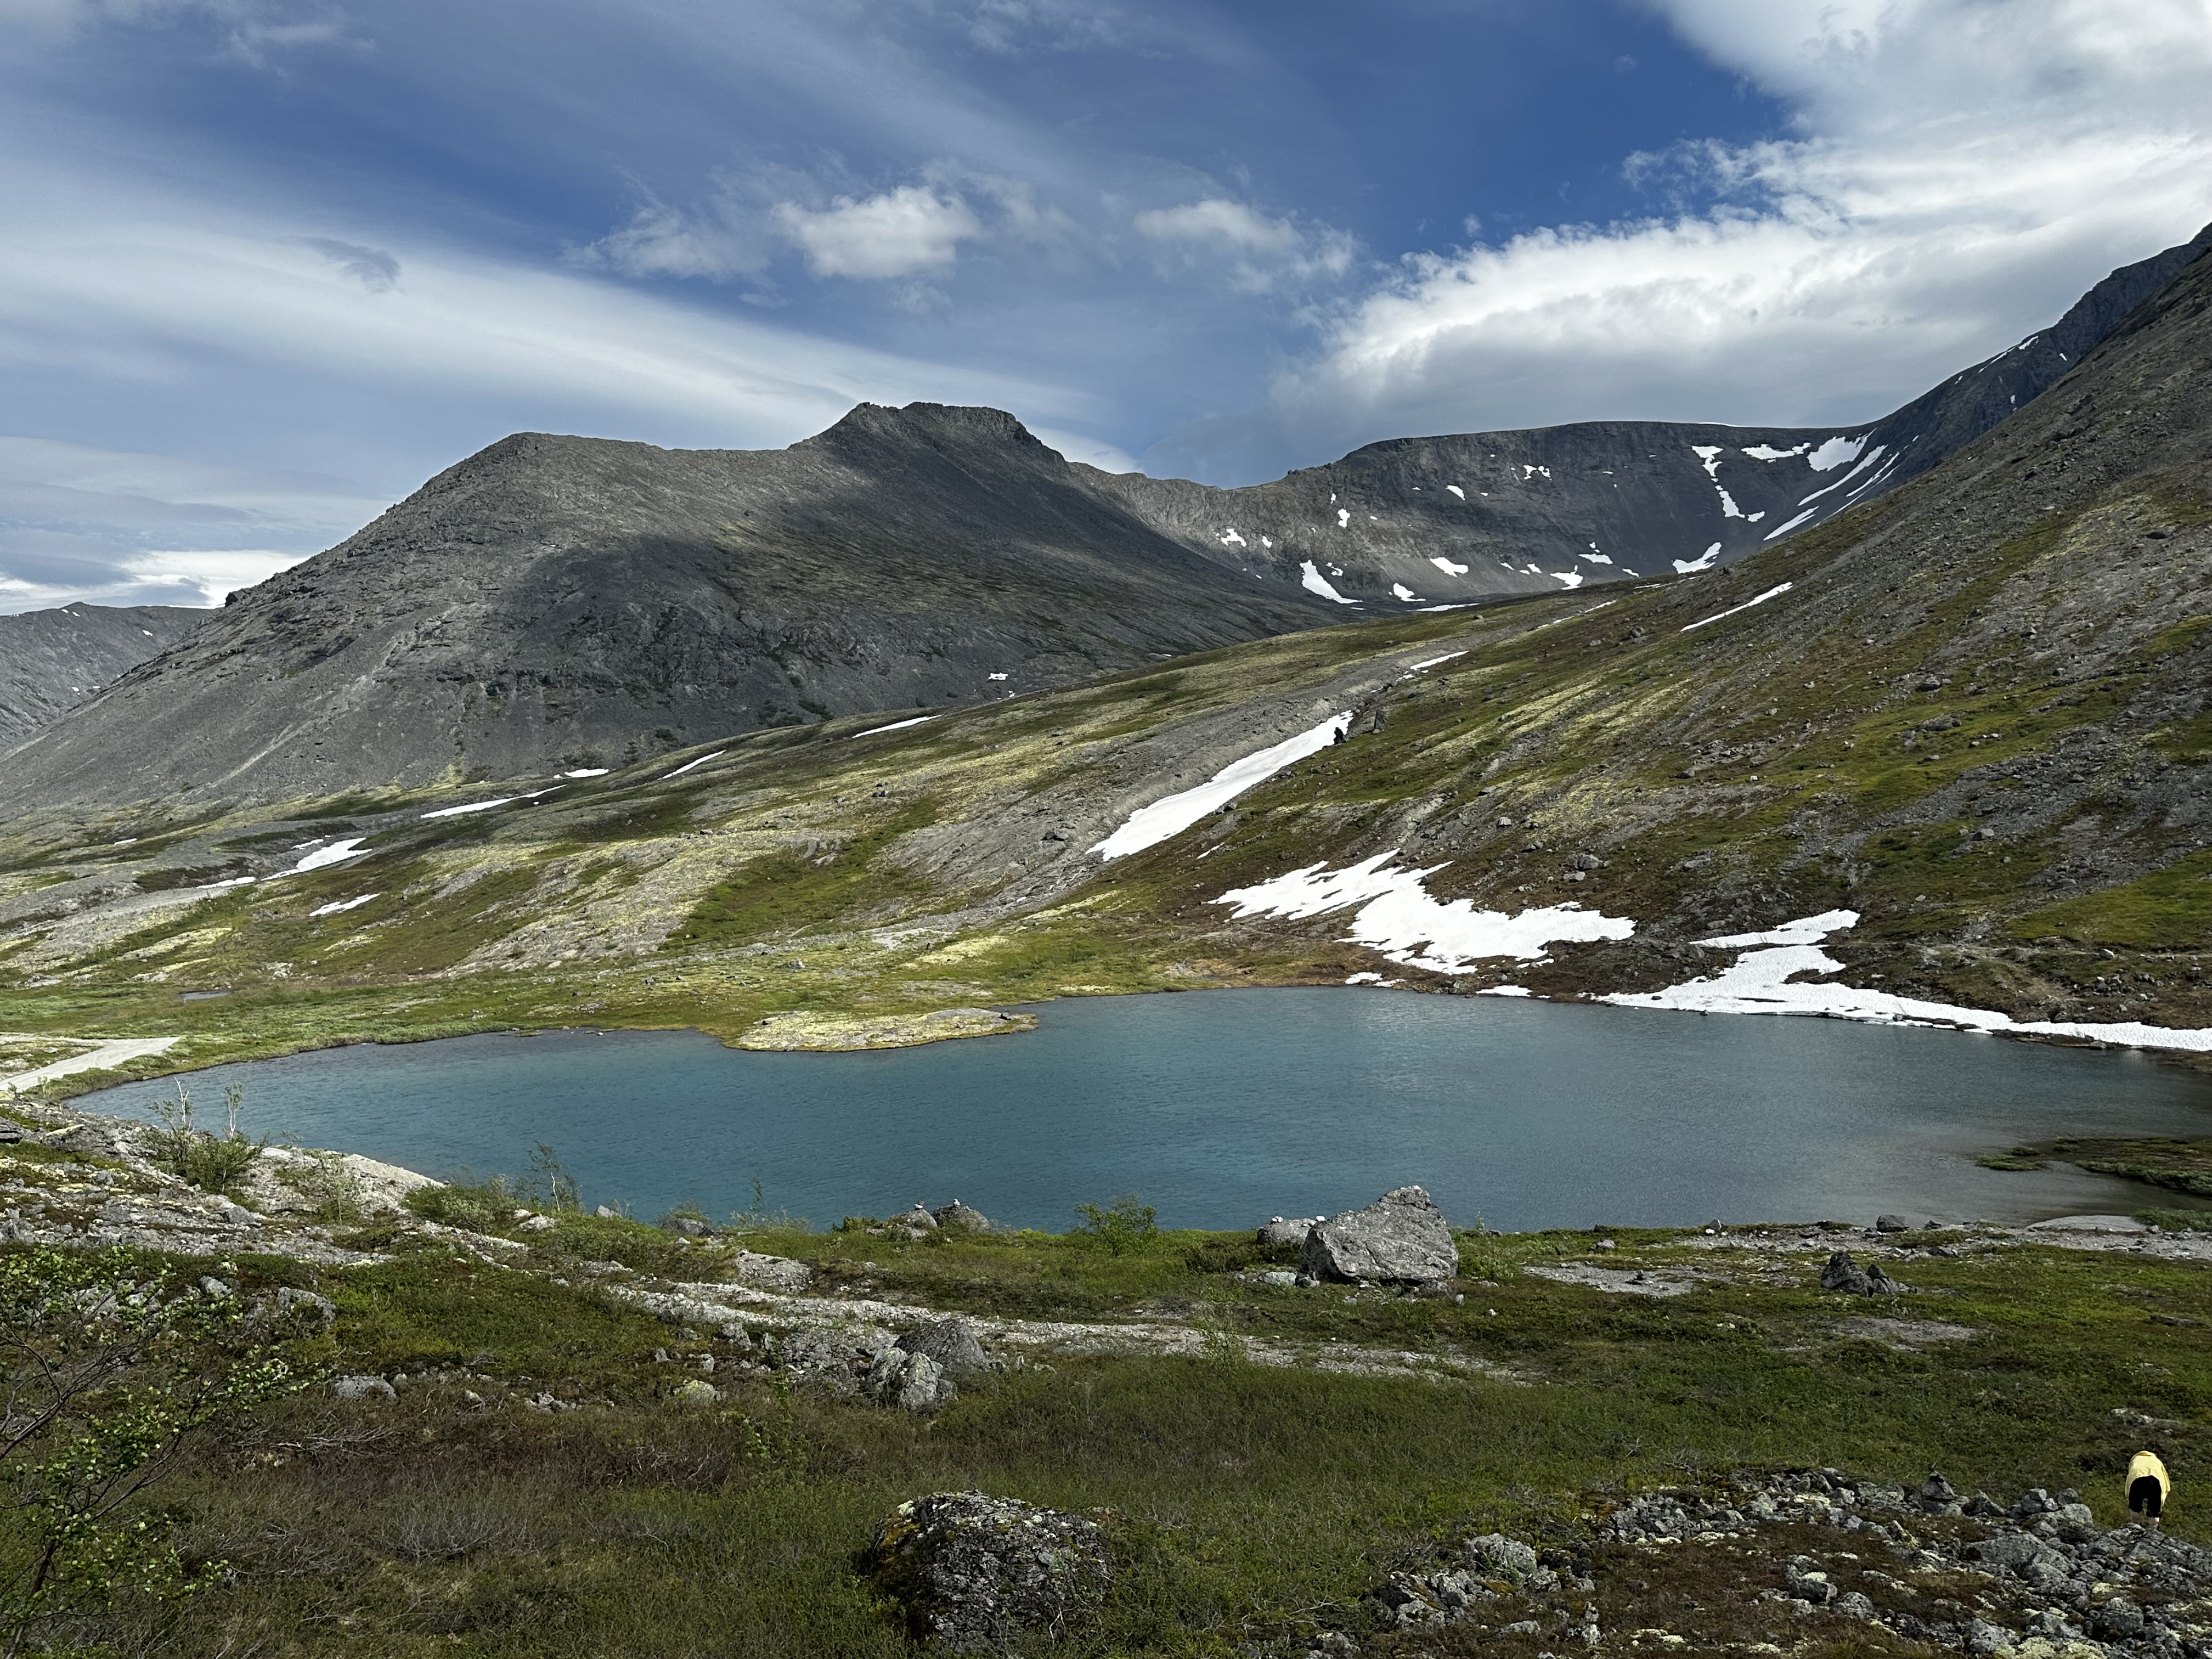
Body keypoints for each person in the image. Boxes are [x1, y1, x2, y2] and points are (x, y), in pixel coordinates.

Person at [2128, 1449, 2171, 1529]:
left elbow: (2130, 1480)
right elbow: (2164, 1479)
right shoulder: (2157, 1461)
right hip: (2155, 1481)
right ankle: (2153, 1529)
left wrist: (2130, 1498)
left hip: (2137, 1480)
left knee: (2135, 1507)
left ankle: (2135, 1526)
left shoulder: (2135, 1460)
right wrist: (2161, 1500)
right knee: (2154, 1510)